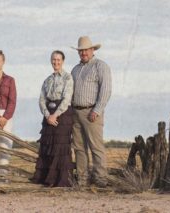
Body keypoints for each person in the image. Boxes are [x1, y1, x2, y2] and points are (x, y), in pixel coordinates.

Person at [70, 36, 112, 186]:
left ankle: (101, 180)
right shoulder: (75, 69)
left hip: (91, 112)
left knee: (96, 147)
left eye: (86, 50)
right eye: (81, 50)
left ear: (93, 50)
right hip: (75, 112)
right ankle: (82, 179)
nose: (83, 53)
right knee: (79, 147)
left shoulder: (100, 66)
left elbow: (106, 90)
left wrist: (97, 110)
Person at [31, 50, 75, 187]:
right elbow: (41, 99)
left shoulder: (68, 78)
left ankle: (60, 180)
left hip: (62, 115)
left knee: (60, 147)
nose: (56, 62)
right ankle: (47, 179)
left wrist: (55, 115)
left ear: (63, 61)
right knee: (48, 146)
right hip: (48, 116)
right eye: (53, 60)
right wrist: (47, 115)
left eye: (58, 60)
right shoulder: (47, 80)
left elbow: (67, 99)